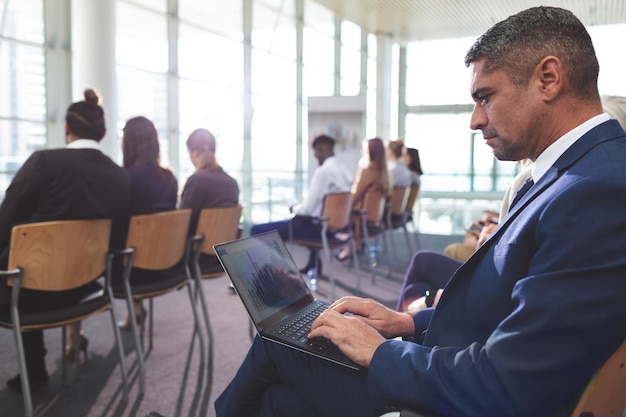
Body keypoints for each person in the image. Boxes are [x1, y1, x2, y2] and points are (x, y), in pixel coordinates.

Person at [214, 7, 626, 417]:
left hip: (463, 395)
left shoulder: (594, 190)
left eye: (486, 96)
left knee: (275, 344)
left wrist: (380, 353)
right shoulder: (578, 171)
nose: (475, 120)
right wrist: (406, 324)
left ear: (548, 79)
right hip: (458, 361)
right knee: (278, 402)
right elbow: (515, 311)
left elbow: (511, 382)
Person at [0, 88, 131, 392]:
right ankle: (34, 370)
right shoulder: (119, 175)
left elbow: (6, 218)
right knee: (32, 261)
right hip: (87, 286)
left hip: (26, 290)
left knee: (23, 264)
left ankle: (34, 370)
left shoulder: (44, 162)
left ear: (67, 128)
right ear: (103, 132)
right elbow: (119, 238)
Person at [249, 134, 352, 272]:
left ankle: (278, 273)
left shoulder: (324, 172)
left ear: (320, 149)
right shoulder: (345, 171)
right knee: (311, 218)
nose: (315, 156)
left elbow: (306, 211)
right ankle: (313, 264)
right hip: (334, 228)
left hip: (319, 229)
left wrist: (293, 207)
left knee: (256, 230)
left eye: (315, 152)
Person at [114, 116, 178, 331]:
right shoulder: (169, 178)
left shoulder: (124, 179)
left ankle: (74, 338)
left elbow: (118, 233)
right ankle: (135, 309)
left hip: (130, 270)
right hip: (168, 265)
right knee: (138, 238)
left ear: (128, 143)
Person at [179, 128, 239, 274]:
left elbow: (183, 222)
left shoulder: (196, 180)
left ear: (194, 153)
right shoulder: (232, 183)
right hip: (224, 256)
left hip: (195, 258)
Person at [336, 137, 391, 261]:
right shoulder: (384, 173)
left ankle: (350, 247)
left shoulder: (368, 170)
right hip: (375, 217)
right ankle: (356, 244)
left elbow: (356, 194)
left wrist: (343, 207)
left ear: (370, 152)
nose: (362, 152)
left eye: (364, 149)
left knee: (337, 213)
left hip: (361, 217)